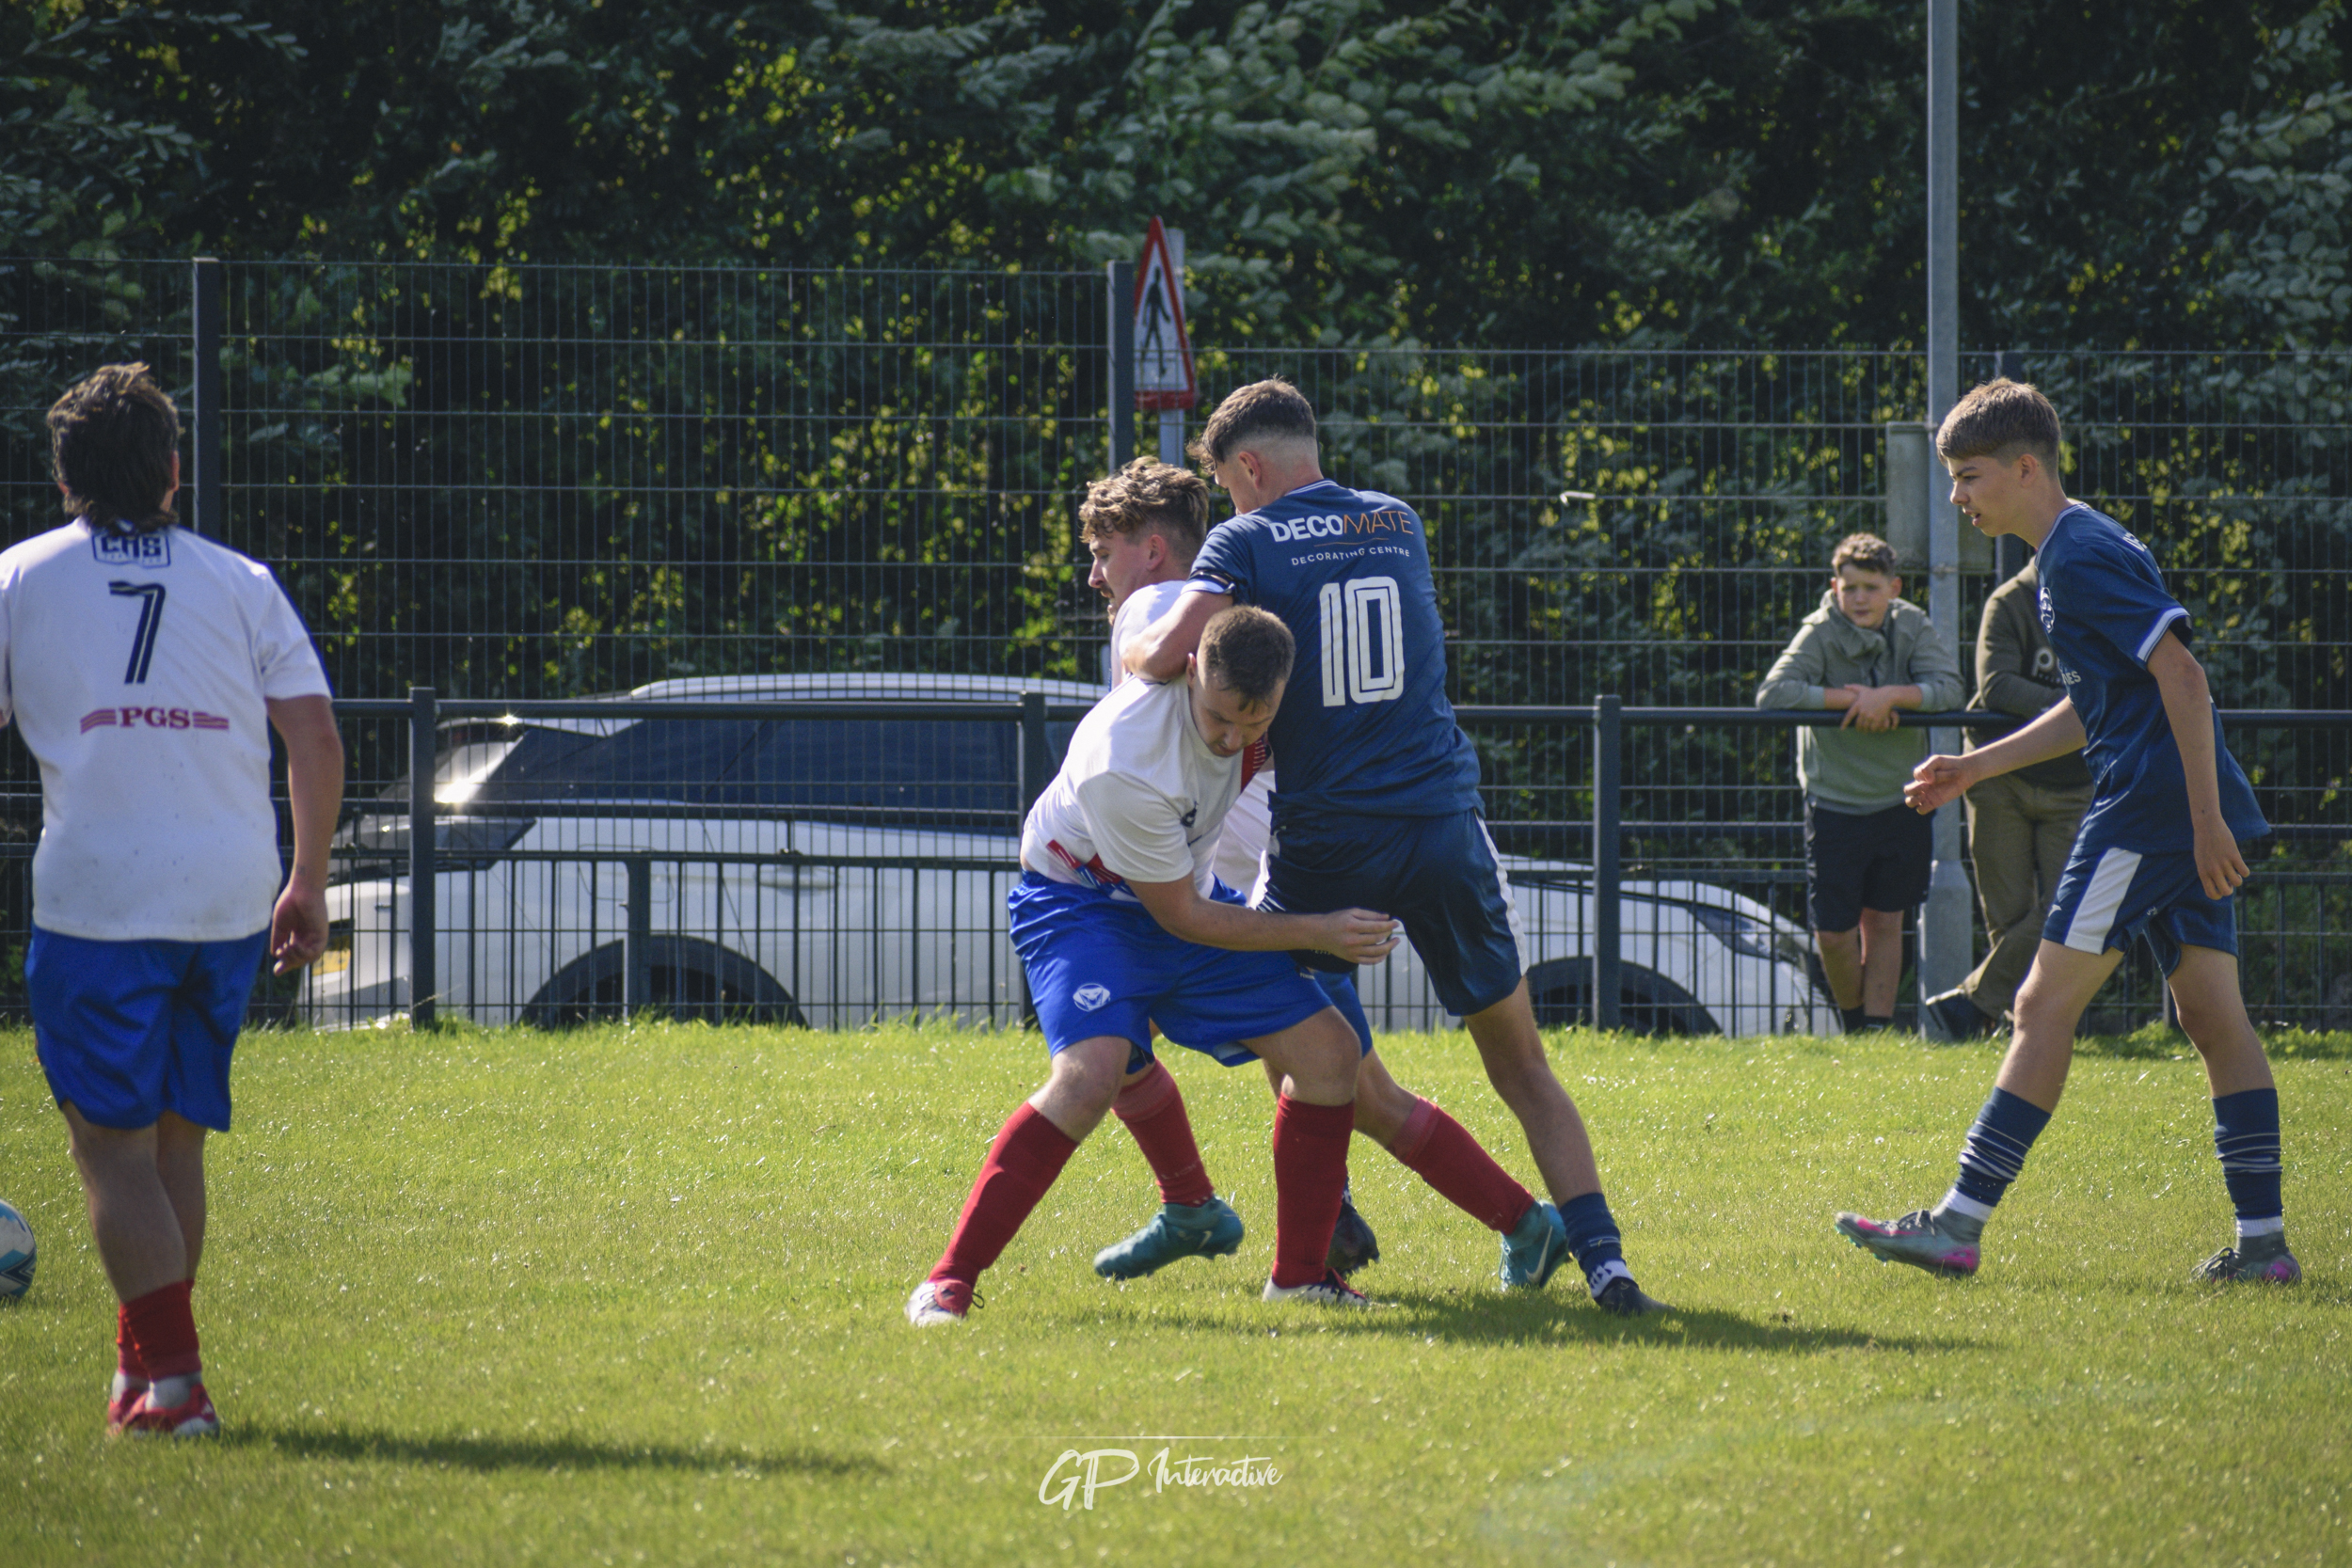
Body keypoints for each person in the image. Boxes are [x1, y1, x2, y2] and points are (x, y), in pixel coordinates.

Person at [1128, 378, 1668, 1316]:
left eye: (1224, 483)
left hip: (1329, 837)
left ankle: (1316, 1236)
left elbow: (1172, 653)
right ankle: (1607, 1263)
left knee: (1298, 1038)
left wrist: (1132, 643)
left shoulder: (1243, 539)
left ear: (1248, 467)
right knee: (1521, 1064)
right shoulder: (1398, 519)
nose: (1226, 502)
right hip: (1441, 822)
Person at [1837, 378, 2296, 1286]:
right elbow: (2099, 704)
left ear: (2024, 466)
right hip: (2170, 810)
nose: (1958, 497)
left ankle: (1956, 1225)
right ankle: (2265, 1248)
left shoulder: (2076, 557)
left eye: (1968, 477)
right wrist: (1975, 766)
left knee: (2040, 1004)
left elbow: (2186, 681)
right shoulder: (2072, 549)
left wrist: (2202, 824)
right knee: (2213, 1016)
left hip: (2151, 813)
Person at [8, 364, 344, 1437]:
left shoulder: (19, 578)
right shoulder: (241, 580)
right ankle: (140, 1373)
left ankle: (179, 1383)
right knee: (173, 1145)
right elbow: (316, 735)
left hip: (102, 893)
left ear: (64, 477)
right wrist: (308, 876)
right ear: (172, 470)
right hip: (230, 892)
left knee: (107, 1148)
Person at [907, 607, 1393, 1324]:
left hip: (1180, 891)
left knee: (1330, 1054)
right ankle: (948, 1279)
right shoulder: (1125, 758)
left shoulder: (1264, 700)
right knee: (1089, 1076)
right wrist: (1319, 930)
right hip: (1083, 905)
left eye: (1252, 724)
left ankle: (1300, 1278)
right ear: (1191, 670)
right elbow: (1185, 921)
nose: (1233, 740)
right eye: (1220, 718)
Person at [1076, 459, 1386, 1280]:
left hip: (1231, 859)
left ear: (1150, 551)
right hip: (1264, 844)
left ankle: (1512, 1217)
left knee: (1348, 1071)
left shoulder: (1156, 618)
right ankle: (1202, 1205)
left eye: (1104, 552)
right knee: (1320, 1054)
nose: (1094, 575)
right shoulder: (1245, 618)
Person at [1756, 532, 1964, 1032]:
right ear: (1835, 586)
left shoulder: (1913, 625)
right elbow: (1773, 694)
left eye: (1871, 587)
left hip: (1901, 798)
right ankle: (1852, 1022)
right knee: (1833, 931)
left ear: (1893, 588)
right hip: (1834, 802)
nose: (1860, 598)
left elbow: (1951, 689)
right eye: (1850, 588)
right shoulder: (1819, 630)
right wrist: (1850, 701)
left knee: (1886, 920)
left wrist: (1892, 695)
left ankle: (1876, 1028)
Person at [1921, 558, 2096, 1040]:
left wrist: (2071, 708)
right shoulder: (2009, 602)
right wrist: (2076, 709)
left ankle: (1975, 1004)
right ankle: (2030, 1025)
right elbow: (1995, 686)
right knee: (2010, 916)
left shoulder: (2097, 602)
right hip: (1998, 776)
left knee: (2068, 906)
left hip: (2072, 785)